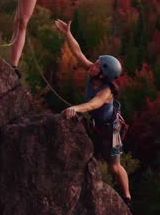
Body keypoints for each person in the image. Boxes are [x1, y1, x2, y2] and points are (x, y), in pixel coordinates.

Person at [55, 18, 131, 205]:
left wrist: (75, 108)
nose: (93, 65)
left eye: (97, 65)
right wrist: (67, 33)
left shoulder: (106, 92)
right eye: (96, 62)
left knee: (114, 166)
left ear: (103, 74)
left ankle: (127, 197)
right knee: (89, 156)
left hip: (111, 129)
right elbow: (78, 53)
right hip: (98, 125)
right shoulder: (94, 72)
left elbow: (93, 105)